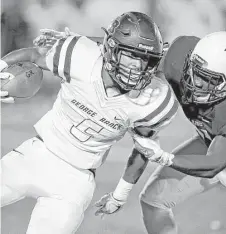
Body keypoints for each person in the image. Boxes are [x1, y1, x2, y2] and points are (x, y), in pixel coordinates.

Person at [0, 12, 178, 234]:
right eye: (131, 55)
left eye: (145, 59)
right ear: (112, 49)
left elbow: (143, 149)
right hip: (35, 155)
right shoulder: (81, 57)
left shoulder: (153, 99)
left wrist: (120, 195)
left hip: (75, 183)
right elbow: (34, 55)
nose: (138, 66)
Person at [138, 32, 226, 234]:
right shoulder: (179, 58)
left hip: (218, 154)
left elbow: (213, 165)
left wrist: (165, 157)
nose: (198, 83)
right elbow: (134, 51)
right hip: (211, 143)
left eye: (209, 80)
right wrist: (81, 44)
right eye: (197, 72)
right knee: (154, 200)